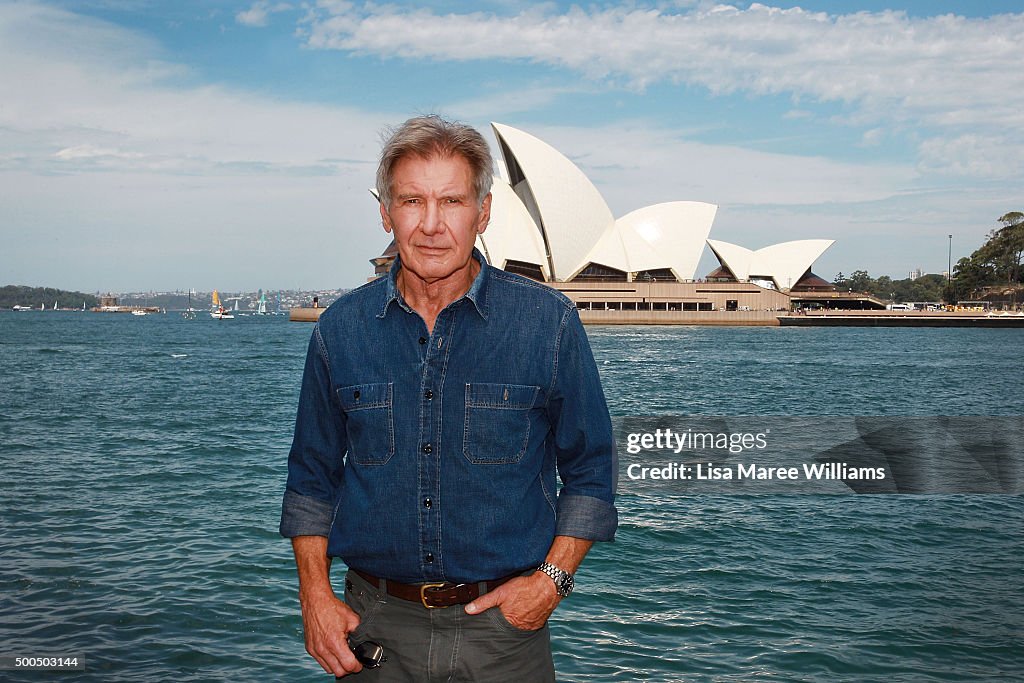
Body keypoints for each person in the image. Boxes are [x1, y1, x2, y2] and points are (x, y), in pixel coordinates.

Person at [279, 115, 617, 681]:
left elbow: (591, 470)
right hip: (375, 629)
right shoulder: (340, 330)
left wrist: (551, 583)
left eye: (453, 202)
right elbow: (311, 480)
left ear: (483, 213)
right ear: (385, 213)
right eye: (412, 201)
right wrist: (313, 597)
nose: (432, 225)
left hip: (505, 634)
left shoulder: (548, 324)